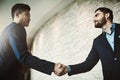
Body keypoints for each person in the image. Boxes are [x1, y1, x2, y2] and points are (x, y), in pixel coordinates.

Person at [0, 3, 66, 80]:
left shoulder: (6, 30)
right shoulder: (17, 28)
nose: (29, 18)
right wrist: (53, 67)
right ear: (17, 15)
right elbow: (23, 57)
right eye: (27, 15)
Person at [59, 7, 120, 80]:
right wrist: (67, 69)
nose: (94, 19)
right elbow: (88, 64)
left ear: (107, 15)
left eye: (96, 15)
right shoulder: (97, 41)